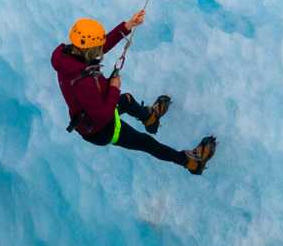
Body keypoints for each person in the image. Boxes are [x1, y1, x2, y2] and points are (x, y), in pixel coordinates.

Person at [52, 10, 217, 174]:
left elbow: (100, 47)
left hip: (92, 113)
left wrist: (127, 26)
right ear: (88, 50)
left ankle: (150, 118)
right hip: (101, 129)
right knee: (147, 143)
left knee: (127, 100)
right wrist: (114, 88)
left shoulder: (70, 56)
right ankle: (192, 163)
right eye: (97, 48)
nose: (100, 50)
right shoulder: (83, 82)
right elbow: (102, 114)